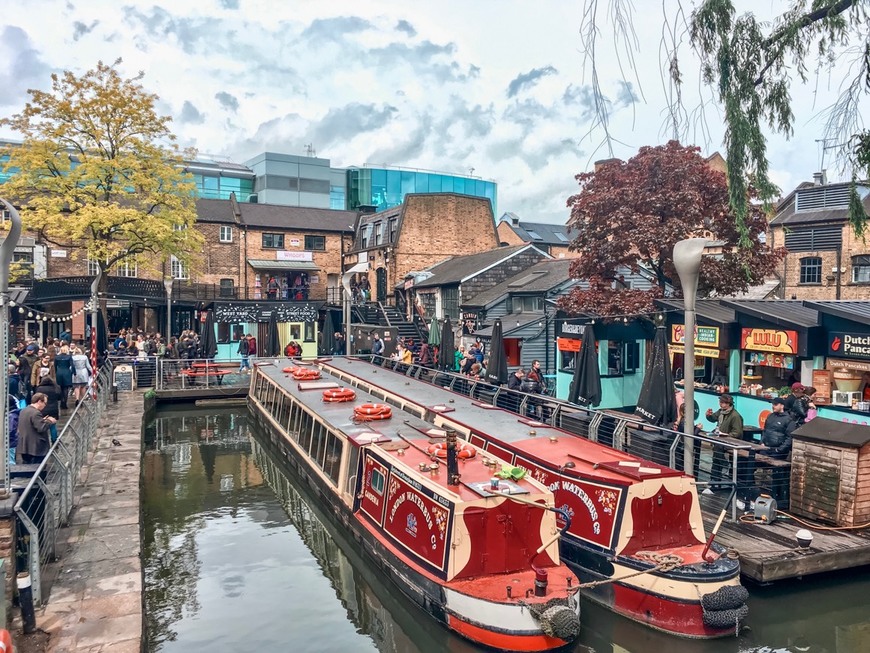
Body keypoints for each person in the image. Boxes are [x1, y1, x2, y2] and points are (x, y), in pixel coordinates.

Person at [704, 394, 744, 491]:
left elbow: (737, 432)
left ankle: (720, 472)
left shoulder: (735, 416)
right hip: (721, 441)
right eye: (720, 402)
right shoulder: (721, 412)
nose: (720, 404)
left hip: (730, 442)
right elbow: (713, 418)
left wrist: (726, 435)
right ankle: (714, 480)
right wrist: (708, 415)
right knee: (716, 458)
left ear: (728, 403)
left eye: (722, 402)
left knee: (717, 456)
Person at [17, 393, 57, 465]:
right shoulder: (35, 413)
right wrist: (50, 421)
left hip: (25, 446)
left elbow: (30, 424)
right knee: (38, 470)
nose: (45, 406)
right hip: (36, 448)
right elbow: (41, 428)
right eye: (45, 403)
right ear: (39, 401)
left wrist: (42, 420)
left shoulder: (24, 410)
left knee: (27, 469)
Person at [674, 402, 703, 475]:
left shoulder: (682, 420)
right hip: (685, 446)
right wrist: (698, 428)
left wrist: (695, 427)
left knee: (683, 464)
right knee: (685, 464)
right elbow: (690, 435)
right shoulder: (685, 421)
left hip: (682, 446)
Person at [36, 369, 61, 443]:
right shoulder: (55, 388)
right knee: (53, 425)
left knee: (43, 425)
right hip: (54, 408)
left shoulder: (39, 389)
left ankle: (44, 440)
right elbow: (59, 397)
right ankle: (54, 440)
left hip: (43, 409)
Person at [54, 345, 73, 410]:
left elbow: (55, 366)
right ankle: (64, 402)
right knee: (65, 388)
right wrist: (73, 373)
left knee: (60, 387)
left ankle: (61, 401)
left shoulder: (57, 357)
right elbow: (72, 365)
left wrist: (56, 372)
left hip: (59, 372)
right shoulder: (69, 357)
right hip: (66, 372)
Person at [8, 394, 20, 466]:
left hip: (10, 442)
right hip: (12, 442)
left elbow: (11, 430)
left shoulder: (11, 416)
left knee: (10, 461)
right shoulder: (14, 414)